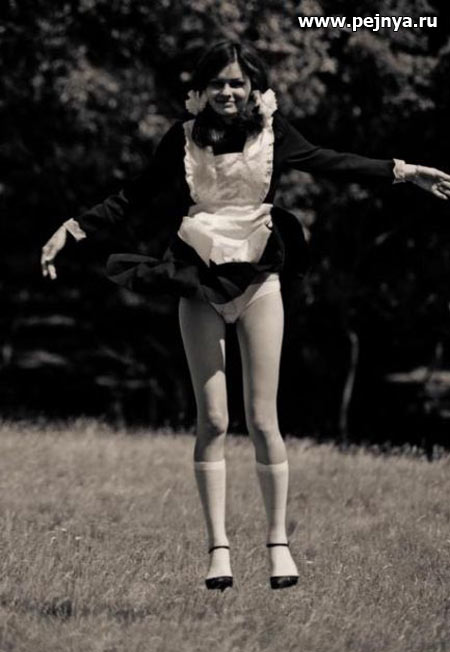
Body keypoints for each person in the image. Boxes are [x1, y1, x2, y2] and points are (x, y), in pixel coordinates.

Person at [41, 40, 450, 591]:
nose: (227, 92)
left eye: (237, 82)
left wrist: (403, 171)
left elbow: (333, 162)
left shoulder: (275, 135)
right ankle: (218, 550)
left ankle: (278, 545)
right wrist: (71, 229)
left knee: (262, 420)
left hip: (259, 278)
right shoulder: (182, 139)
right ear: (202, 90)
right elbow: (132, 195)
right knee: (213, 419)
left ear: (253, 87)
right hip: (198, 278)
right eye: (217, 83)